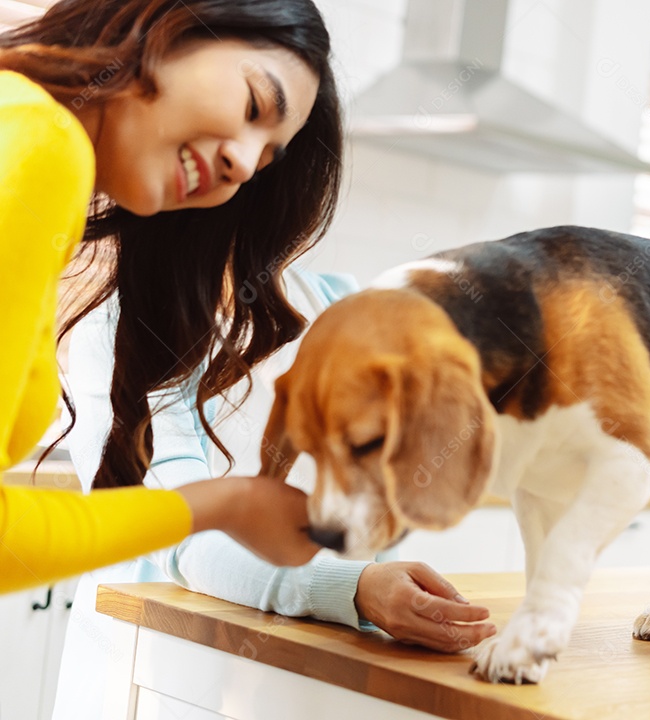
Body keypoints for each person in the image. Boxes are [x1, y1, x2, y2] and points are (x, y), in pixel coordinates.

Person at [0, 0, 494, 688]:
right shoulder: (39, 144)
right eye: (255, 102)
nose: (241, 164)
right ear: (168, 22)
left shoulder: (35, 143)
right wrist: (336, 578)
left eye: (267, 161)